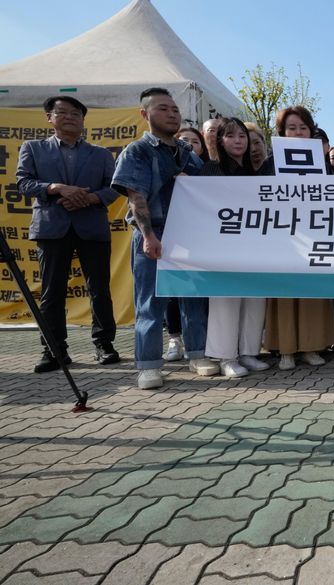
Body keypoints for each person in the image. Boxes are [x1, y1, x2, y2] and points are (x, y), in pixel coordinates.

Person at [111, 87, 219, 389]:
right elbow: (136, 197)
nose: (172, 114)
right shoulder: (137, 151)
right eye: (163, 108)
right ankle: (148, 365)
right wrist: (148, 235)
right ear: (144, 114)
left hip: (189, 234)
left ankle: (197, 354)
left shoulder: (185, 152)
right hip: (154, 233)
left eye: (175, 109)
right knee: (150, 302)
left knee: (193, 298)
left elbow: (208, 187)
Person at [16, 95, 120, 372]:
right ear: (49, 118)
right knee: (52, 291)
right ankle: (54, 350)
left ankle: (104, 344)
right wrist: (56, 188)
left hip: (92, 227)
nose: (70, 117)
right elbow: (24, 183)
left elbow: (114, 187)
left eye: (76, 113)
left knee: (99, 289)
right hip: (52, 227)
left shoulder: (100, 153)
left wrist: (89, 198)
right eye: (62, 112)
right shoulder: (33, 148)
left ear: (83, 120)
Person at [263, 106, 334, 370]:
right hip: (282, 235)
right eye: (291, 128)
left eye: (303, 128)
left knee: (311, 292)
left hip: (314, 234)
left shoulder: (322, 163)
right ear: (282, 132)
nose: (297, 133)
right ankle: (285, 349)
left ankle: (311, 346)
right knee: (284, 293)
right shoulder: (271, 162)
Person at [200, 118, 270, 378]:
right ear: (220, 140)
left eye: (242, 136)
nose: (238, 141)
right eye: (231, 136)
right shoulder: (211, 169)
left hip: (254, 245)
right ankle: (225, 356)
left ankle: (248, 352)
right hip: (223, 245)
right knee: (226, 300)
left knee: (254, 298)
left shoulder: (254, 171)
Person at [162, 126, 210, 363]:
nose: (189, 145)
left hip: (197, 237)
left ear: (202, 148)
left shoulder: (206, 172)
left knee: (194, 293)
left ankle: (197, 348)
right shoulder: (164, 166)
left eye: (195, 141)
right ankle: (174, 338)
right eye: (183, 140)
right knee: (171, 290)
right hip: (167, 233)